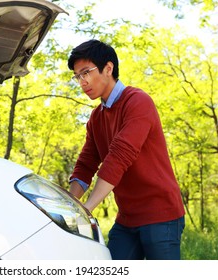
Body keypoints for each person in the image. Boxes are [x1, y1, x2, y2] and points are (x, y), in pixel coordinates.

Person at [67, 39, 185, 260]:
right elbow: (86, 164)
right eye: (77, 76)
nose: (82, 82)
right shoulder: (96, 118)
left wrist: (87, 208)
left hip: (161, 215)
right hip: (127, 219)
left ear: (108, 68)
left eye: (86, 73)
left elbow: (119, 158)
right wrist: (70, 206)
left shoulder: (138, 102)